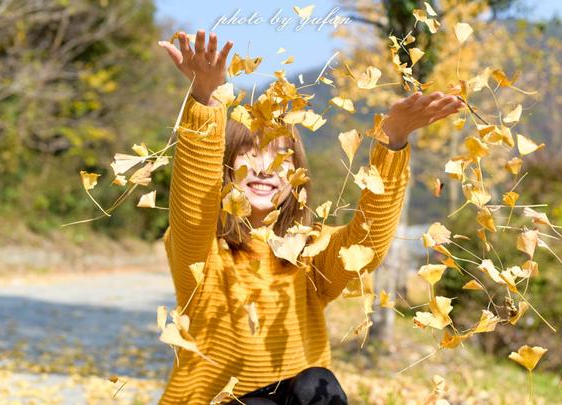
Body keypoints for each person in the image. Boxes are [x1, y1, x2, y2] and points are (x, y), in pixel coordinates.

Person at [156, 29, 465, 404]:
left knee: (317, 383)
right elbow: (192, 209)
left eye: (279, 157)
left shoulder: (307, 251)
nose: (265, 169)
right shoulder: (203, 252)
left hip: (293, 397)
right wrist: (204, 99)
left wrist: (393, 140)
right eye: (249, 154)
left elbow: (365, 246)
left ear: (296, 177)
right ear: (224, 168)